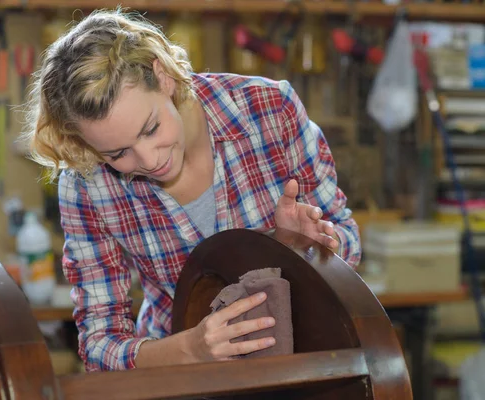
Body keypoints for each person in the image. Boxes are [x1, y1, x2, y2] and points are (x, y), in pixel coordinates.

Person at [22, 8, 361, 373]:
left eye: (150, 129)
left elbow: (349, 245)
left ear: (163, 76)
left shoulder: (269, 110)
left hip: (299, 370)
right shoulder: (86, 182)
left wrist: (312, 244)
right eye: (117, 153)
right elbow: (98, 344)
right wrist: (190, 349)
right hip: (178, 378)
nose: (149, 160)